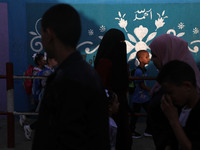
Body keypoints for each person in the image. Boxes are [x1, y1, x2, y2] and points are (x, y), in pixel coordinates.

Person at [32, 4, 110, 150]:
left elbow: (65, 139)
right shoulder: (86, 73)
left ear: (49, 35)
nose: (42, 39)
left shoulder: (67, 80)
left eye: (42, 33)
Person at [148, 33, 200, 150]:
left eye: (155, 55)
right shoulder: (170, 85)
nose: (152, 59)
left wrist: (173, 121)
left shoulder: (188, 100)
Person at [94, 28, 132, 150]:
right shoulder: (105, 63)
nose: (123, 45)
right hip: (109, 107)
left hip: (118, 106)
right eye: (120, 42)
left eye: (123, 42)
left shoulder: (120, 63)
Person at [157, 60, 200, 150]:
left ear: (187, 86)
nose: (168, 97)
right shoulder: (178, 108)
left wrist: (174, 121)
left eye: (170, 92)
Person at [23, 57, 57, 140]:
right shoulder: (46, 72)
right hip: (47, 97)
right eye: (54, 59)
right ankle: (29, 127)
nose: (56, 61)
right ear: (49, 61)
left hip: (50, 97)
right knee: (47, 118)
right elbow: (45, 84)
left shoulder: (51, 71)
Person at [19, 52, 46, 127]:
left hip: (41, 93)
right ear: (39, 62)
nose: (45, 61)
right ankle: (30, 126)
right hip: (37, 94)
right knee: (38, 109)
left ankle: (25, 116)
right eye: (43, 60)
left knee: (36, 109)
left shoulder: (44, 69)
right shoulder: (36, 71)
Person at [129, 50, 152, 138]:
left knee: (150, 113)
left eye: (148, 57)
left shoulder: (143, 69)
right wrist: (151, 90)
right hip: (138, 97)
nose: (149, 59)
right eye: (146, 57)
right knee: (135, 115)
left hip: (144, 97)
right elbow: (142, 85)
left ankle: (148, 130)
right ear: (140, 59)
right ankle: (131, 131)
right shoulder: (138, 71)